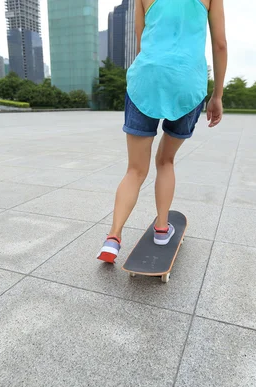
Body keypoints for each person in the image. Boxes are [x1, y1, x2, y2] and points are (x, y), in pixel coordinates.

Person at [98, 0, 228, 263]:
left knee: (135, 170)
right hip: (188, 82)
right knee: (165, 161)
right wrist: (217, 95)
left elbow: (141, 39)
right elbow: (220, 45)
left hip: (146, 79)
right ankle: (161, 229)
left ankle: (112, 239)